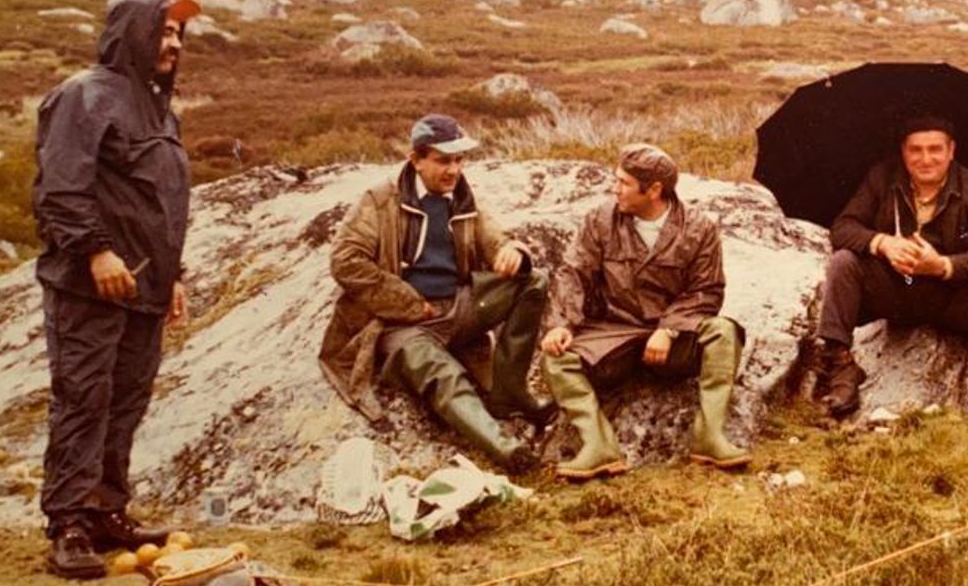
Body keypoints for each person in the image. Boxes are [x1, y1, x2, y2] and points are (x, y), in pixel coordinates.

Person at [33, 0, 199, 579]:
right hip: (89, 285)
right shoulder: (84, 95)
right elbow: (59, 189)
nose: (173, 44)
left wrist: (173, 274)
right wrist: (96, 250)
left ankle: (106, 511)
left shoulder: (159, 108)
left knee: (127, 398)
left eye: (178, 34)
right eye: (163, 32)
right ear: (132, 34)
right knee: (83, 396)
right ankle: (69, 524)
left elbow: (160, 202)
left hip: (145, 286)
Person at [319, 113, 552, 475]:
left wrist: (511, 252)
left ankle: (509, 393)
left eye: (459, 160)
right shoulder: (380, 200)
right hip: (400, 324)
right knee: (443, 375)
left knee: (532, 281)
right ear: (416, 159)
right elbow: (346, 262)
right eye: (444, 160)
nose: (454, 170)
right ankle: (507, 451)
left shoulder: (461, 195)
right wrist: (407, 303)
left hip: (457, 306)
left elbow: (493, 237)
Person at [540, 144, 751, 480]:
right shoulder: (600, 219)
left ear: (654, 190)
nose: (615, 189)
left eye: (623, 183)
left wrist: (669, 328)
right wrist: (562, 324)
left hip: (674, 340)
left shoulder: (698, 229)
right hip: (615, 334)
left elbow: (707, 290)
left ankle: (709, 437)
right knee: (556, 357)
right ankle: (599, 446)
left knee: (723, 331)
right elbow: (574, 273)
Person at [812, 116, 968, 419]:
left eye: (935, 149)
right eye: (916, 150)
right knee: (843, 262)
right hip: (892, 293)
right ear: (903, 151)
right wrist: (882, 243)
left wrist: (941, 265)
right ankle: (840, 366)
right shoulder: (880, 178)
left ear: (951, 150)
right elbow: (843, 228)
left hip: (950, 298)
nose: (925, 159)